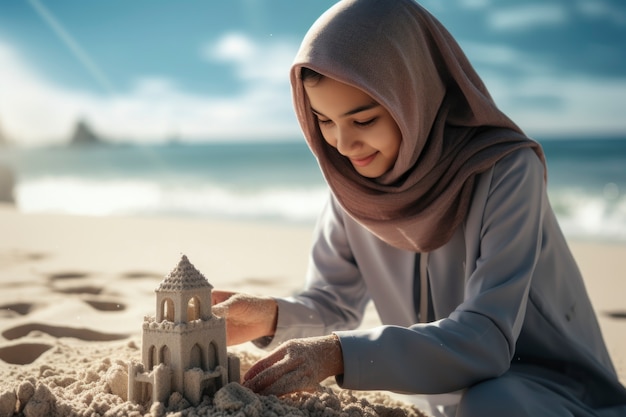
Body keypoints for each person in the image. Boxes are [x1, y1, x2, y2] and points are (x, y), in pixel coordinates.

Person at [212, 0, 626, 415]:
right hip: (451, 399)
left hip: (555, 388)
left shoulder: (507, 171)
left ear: (414, 94)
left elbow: (487, 338)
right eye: (323, 120)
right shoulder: (352, 186)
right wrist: (269, 316)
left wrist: (338, 355)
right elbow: (333, 302)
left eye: (364, 120)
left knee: (492, 402)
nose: (342, 144)